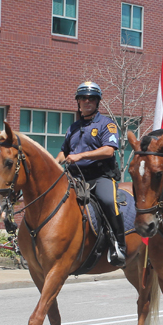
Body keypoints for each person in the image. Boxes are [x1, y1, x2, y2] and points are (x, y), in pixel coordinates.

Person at [56, 81, 126, 268]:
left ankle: (119, 245)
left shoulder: (107, 124)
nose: (87, 101)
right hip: (75, 177)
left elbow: (109, 150)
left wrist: (80, 155)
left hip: (99, 176)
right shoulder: (73, 127)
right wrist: (54, 163)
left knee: (109, 201)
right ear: (78, 102)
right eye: (83, 98)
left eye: (91, 98)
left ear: (97, 102)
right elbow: (64, 152)